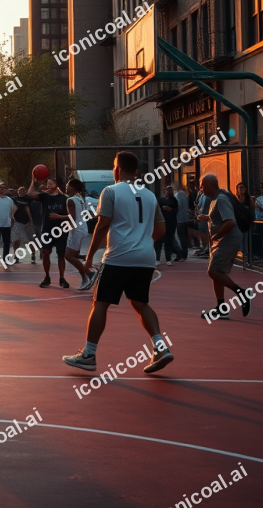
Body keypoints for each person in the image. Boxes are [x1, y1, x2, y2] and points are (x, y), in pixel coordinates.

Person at [63, 151, 173, 374]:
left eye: (114, 167)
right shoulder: (150, 195)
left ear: (118, 169)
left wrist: (90, 256)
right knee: (140, 303)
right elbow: (161, 228)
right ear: (137, 171)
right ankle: (160, 347)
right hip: (145, 258)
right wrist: (141, 241)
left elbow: (103, 225)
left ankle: (89, 354)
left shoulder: (111, 191)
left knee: (100, 303)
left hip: (119, 257)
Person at [199, 174, 251, 320]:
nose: (201, 188)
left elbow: (230, 222)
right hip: (223, 240)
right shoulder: (216, 198)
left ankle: (242, 293)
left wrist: (216, 236)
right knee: (217, 272)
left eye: (202, 185)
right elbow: (221, 218)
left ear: (210, 184)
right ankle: (221, 308)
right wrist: (207, 218)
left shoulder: (221, 199)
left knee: (214, 271)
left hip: (228, 239)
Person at [29, 175, 70, 288]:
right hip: (47, 230)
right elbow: (30, 193)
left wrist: (59, 218)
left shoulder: (64, 198)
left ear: (56, 185)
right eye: (47, 183)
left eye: (51, 183)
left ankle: (62, 278)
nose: (48, 185)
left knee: (61, 255)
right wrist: (33, 179)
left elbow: (71, 216)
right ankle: (47, 277)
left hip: (61, 230)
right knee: (45, 252)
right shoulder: (44, 196)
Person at [62, 178, 95, 290]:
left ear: (71, 187)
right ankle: (86, 274)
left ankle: (88, 274)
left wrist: (65, 227)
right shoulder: (80, 198)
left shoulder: (70, 200)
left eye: (67, 185)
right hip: (83, 228)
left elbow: (73, 217)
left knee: (68, 255)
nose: (66, 187)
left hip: (76, 230)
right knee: (74, 254)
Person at [12, 186, 36, 264]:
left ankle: (33, 255)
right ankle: (16, 256)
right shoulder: (15, 200)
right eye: (19, 191)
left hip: (28, 222)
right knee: (16, 240)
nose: (20, 192)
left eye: (22, 191)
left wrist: (31, 219)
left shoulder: (30, 199)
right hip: (18, 222)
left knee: (31, 240)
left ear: (25, 191)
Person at [157, 185, 179, 267]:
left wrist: (171, 210)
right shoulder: (161, 200)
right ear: (165, 190)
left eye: (171, 190)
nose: (170, 192)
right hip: (162, 223)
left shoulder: (174, 200)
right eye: (168, 190)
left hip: (171, 223)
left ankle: (168, 259)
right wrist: (163, 208)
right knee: (158, 241)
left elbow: (177, 209)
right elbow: (157, 209)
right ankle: (157, 259)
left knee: (168, 241)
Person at [235, 182, 252, 261]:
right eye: (240, 188)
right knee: (239, 237)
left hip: (246, 221)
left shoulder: (249, 198)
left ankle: (245, 253)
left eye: (243, 187)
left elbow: (251, 209)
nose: (241, 189)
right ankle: (240, 252)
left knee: (245, 237)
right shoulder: (235, 199)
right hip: (237, 221)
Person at [174, 181, 190, 261]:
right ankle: (183, 254)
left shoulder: (179, 194)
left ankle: (183, 254)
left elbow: (178, 205)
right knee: (182, 237)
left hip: (181, 219)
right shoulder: (182, 194)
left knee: (181, 237)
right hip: (182, 218)